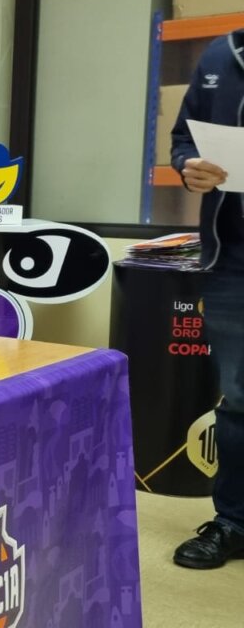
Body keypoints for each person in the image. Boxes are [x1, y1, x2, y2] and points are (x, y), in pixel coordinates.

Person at [170, 29, 244, 569]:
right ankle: (234, 522)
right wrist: (189, 166)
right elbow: (184, 138)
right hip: (232, 260)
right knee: (238, 399)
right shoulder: (221, 54)